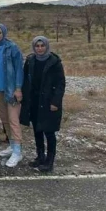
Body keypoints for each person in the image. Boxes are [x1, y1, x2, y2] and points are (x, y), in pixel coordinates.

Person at [20, 36, 65, 173]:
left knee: (49, 132)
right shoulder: (30, 60)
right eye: (37, 46)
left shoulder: (55, 62)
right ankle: (40, 156)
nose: (40, 48)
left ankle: (50, 161)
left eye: (42, 46)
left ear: (47, 46)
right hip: (34, 101)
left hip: (48, 102)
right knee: (37, 130)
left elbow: (60, 84)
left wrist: (55, 102)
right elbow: (25, 80)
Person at [0, 23, 25, 167]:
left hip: (11, 90)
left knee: (13, 120)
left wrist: (18, 88)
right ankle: (12, 145)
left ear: (4, 33)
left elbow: (19, 69)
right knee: (5, 120)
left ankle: (18, 152)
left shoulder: (12, 48)